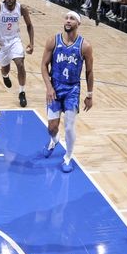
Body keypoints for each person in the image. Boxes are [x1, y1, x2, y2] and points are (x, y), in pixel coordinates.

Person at [41, 11, 95, 172]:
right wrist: (49, 87)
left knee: (70, 127)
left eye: (72, 19)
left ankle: (67, 157)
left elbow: (89, 72)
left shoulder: (85, 46)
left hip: (72, 89)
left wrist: (89, 95)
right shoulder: (53, 40)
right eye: (66, 18)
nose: (68, 21)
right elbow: (43, 66)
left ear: (78, 23)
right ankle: (54, 140)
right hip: (55, 87)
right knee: (52, 128)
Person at [0, 0, 35, 107]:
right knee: (5, 68)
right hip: (2, 42)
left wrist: (31, 43)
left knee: (20, 63)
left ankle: (22, 92)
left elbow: (29, 25)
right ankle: (5, 75)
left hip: (15, 40)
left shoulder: (22, 8)